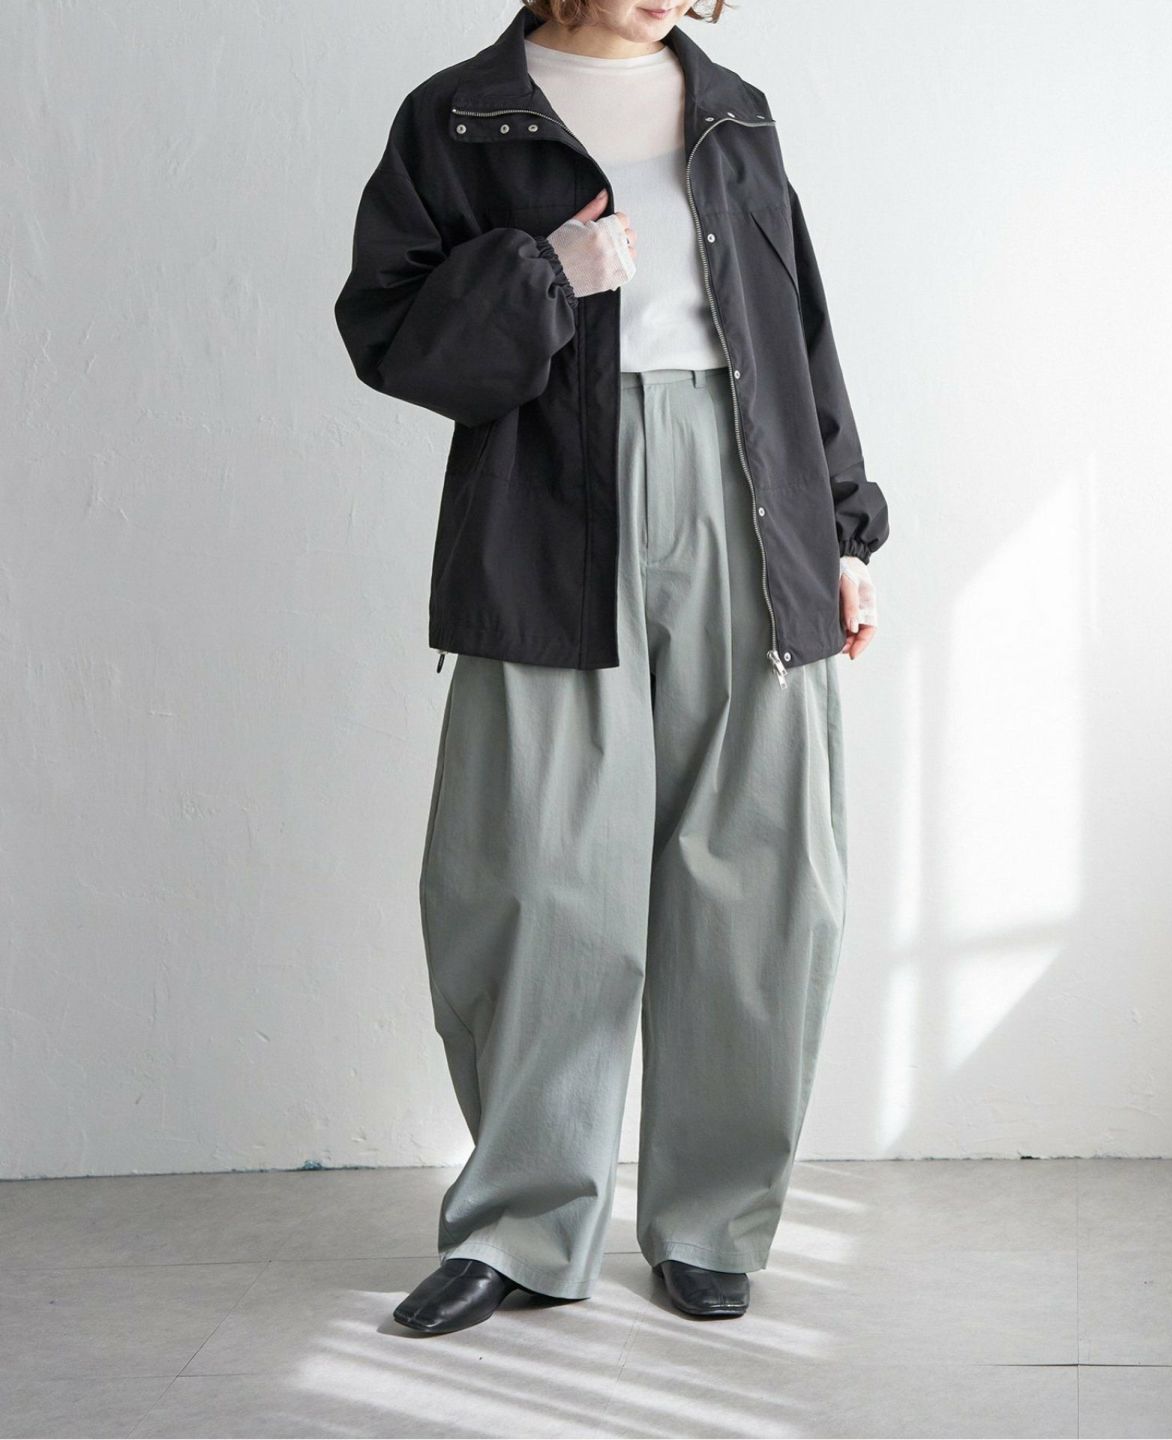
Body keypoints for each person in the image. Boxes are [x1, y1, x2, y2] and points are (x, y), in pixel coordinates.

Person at [333, 0, 889, 1336]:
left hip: (752, 496)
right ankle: (521, 1229)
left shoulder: (736, 111)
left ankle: (712, 1221)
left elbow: (796, 330)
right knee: (532, 874)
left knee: (759, 873)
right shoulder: (461, 113)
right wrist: (547, 273)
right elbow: (391, 337)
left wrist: (846, 533)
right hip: (546, 504)